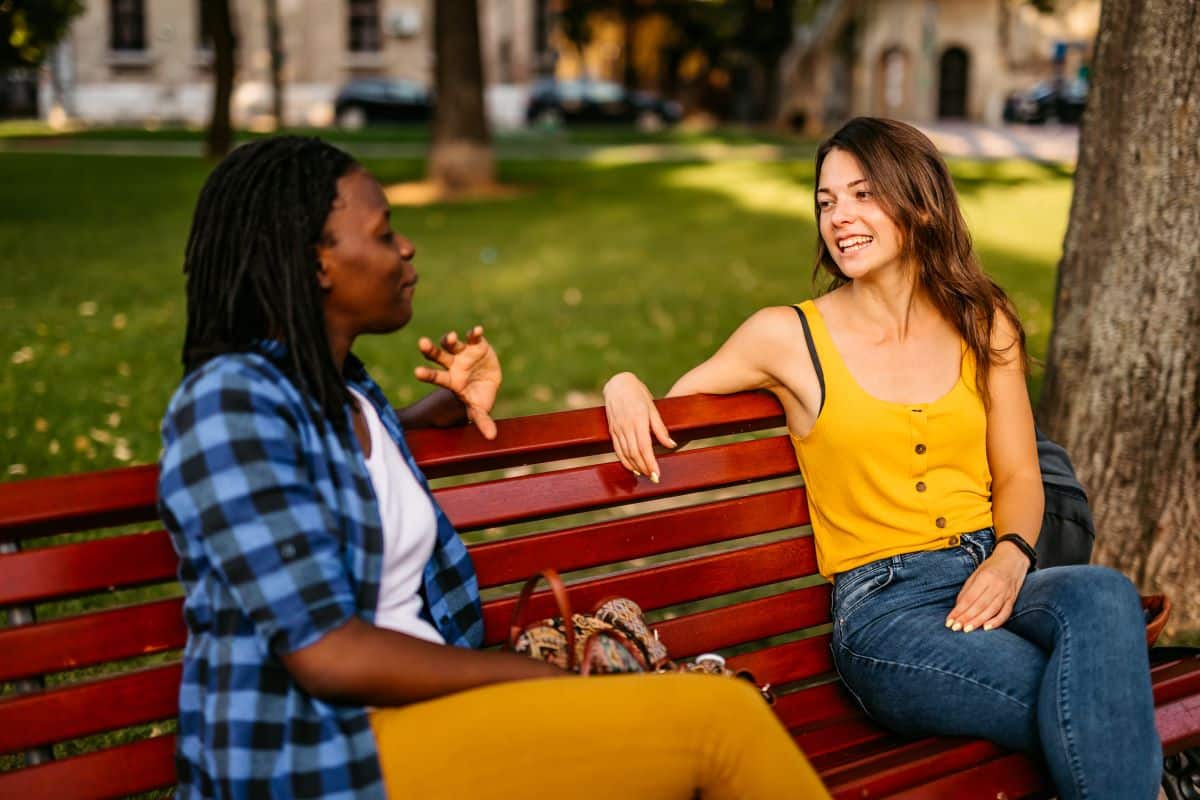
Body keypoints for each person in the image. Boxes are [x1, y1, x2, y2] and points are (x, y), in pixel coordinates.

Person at [157, 136, 828, 800]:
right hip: (325, 756)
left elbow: (336, 475)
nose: (406, 247)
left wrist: (433, 413)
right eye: (384, 231)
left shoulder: (345, 395)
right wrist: (525, 679)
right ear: (317, 264)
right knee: (721, 725)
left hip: (415, 731)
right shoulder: (227, 403)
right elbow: (325, 653)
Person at [603, 117, 1161, 800]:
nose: (840, 217)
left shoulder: (982, 321)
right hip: (888, 617)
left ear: (919, 203)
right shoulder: (787, 336)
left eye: (863, 195)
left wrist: (1012, 555)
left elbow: (1017, 473)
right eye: (827, 201)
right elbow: (668, 414)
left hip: (992, 573)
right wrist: (622, 384)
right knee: (1089, 701)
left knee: (1103, 595)